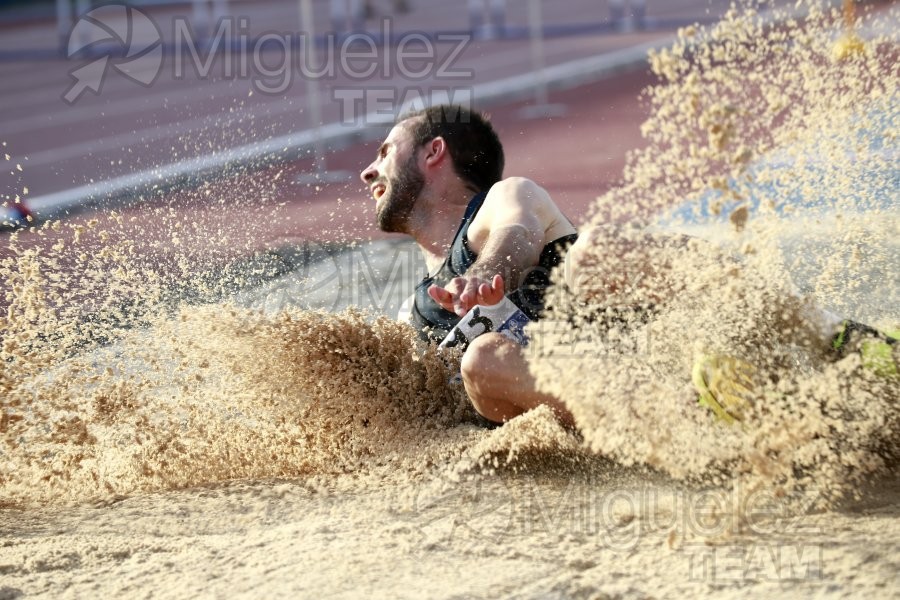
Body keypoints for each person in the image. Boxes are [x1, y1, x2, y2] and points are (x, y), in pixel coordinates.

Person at [359, 104, 897, 428]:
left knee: (592, 253)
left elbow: (517, 234)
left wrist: (486, 272)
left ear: (434, 153)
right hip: (628, 410)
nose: (368, 170)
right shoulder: (413, 317)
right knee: (482, 361)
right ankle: (701, 422)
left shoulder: (505, 198)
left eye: (385, 151)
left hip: (661, 339)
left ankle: (831, 335)